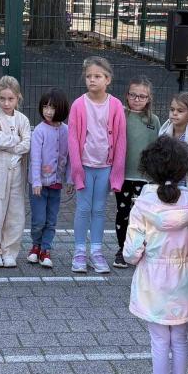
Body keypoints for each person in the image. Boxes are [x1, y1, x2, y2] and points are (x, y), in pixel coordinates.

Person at [124, 136, 188, 374]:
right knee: (181, 338)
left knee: (160, 339)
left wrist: (136, 258)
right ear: (184, 168)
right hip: (185, 279)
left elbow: (131, 251)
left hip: (154, 281)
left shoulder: (144, 204)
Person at [68, 56, 126, 273]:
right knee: (83, 209)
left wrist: (116, 174)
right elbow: (73, 139)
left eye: (97, 76)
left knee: (100, 209)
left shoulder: (116, 105)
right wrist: (76, 170)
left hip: (105, 167)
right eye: (89, 76)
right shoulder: (78, 105)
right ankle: (80, 251)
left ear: (107, 79)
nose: (92, 80)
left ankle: (97, 251)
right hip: (84, 166)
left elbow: (120, 140)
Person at [0, 76, 31, 267]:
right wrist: (16, 141)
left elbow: (27, 143)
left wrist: (15, 144)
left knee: (15, 213)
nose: (6, 103)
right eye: (2, 98)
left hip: (16, 172)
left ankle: (10, 251)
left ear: (18, 98)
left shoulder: (23, 119)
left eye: (10, 99)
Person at [113, 77, 161, 269]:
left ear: (149, 98)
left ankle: (142, 249)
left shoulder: (153, 120)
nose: (137, 99)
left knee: (143, 215)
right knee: (123, 213)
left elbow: (158, 146)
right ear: (127, 96)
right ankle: (122, 249)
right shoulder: (120, 115)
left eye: (142, 96)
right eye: (133, 95)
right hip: (123, 175)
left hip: (145, 178)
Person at [28, 88, 71, 268]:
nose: (48, 111)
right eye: (45, 106)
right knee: (39, 219)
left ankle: (46, 249)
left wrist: (70, 179)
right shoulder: (39, 130)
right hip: (39, 185)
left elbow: (70, 158)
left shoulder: (67, 131)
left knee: (51, 219)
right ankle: (35, 246)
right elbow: (35, 157)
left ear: (60, 109)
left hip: (56, 184)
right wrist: (36, 181)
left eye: (52, 107)